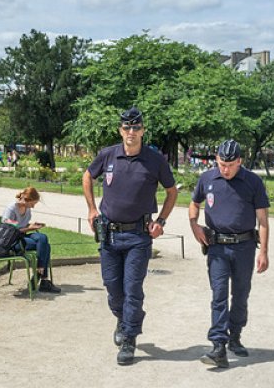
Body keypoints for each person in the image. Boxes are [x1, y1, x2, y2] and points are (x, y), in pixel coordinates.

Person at [82, 107, 177, 366]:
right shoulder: (108, 155)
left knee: (132, 289)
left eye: (136, 128)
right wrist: (92, 209)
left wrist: (161, 221)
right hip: (109, 236)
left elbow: (171, 192)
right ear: (120, 130)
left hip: (138, 235)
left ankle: (129, 339)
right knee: (113, 288)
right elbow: (88, 176)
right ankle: (124, 319)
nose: (131, 133)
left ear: (143, 130)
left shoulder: (155, 160)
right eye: (127, 128)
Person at [189, 140, 270, 368]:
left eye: (231, 165)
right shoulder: (207, 179)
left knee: (241, 295)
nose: (225, 169)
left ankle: (235, 335)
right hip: (217, 247)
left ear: (239, 162)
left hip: (244, 246)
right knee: (219, 294)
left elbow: (263, 221)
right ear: (216, 160)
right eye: (222, 164)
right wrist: (194, 224)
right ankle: (218, 345)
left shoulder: (253, 181)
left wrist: (263, 251)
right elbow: (194, 204)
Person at [1, 187, 60, 293]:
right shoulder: (11, 209)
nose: (33, 206)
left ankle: (39, 271)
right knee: (46, 246)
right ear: (27, 200)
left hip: (22, 235)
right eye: (33, 203)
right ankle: (43, 278)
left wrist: (32, 225)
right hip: (12, 241)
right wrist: (29, 228)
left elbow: (21, 225)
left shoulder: (27, 208)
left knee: (43, 238)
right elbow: (10, 229)